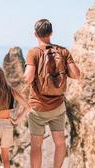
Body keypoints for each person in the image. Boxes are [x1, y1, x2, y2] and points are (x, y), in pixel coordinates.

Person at [23, 19, 80, 168]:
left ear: (35, 34)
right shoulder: (63, 51)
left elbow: (28, 77)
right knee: (60, 143)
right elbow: (76, 74)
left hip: (38, 107)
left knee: (36, 146)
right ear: (51, 33)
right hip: (57, 106)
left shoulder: (33, 52)